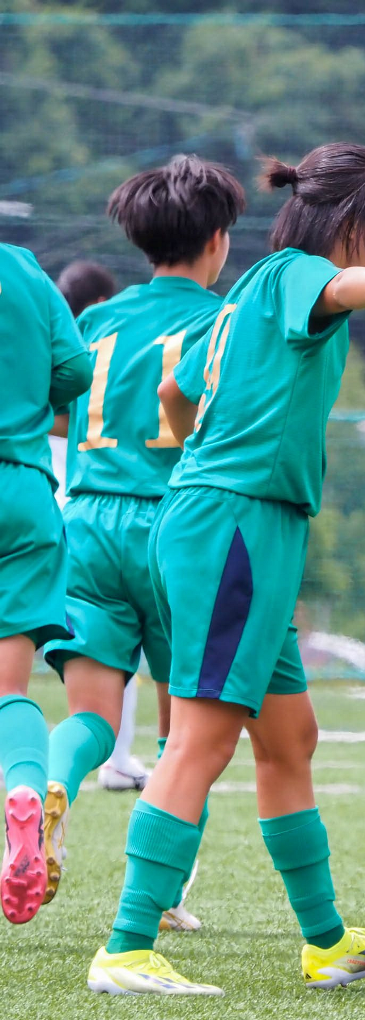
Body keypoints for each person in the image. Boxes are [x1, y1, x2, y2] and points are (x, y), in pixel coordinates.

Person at [86, 142, 365, 996]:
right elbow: (336, 288)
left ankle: (325, 940)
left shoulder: (246, 287)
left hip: (240, 524)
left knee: (289, 739)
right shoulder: (295, 272)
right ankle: (128, 947)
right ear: (352, 217)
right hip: (235, 527)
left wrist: (187, 433)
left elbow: (176, 387)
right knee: (204, 736)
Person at [42, 157, 246, 937]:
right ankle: (159, 894)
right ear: (219, 241)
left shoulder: (97, 320)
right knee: (186, 727)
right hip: (174, 530)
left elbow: (60, 414)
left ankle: (50, 784)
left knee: (92, 714)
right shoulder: (220, 321)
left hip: (87, 521)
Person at [0, 243, 93, 925]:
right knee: (10, 692)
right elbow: (75, 369)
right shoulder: (25, 268)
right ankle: (25, 791)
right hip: (26, 493)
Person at [54, 260, 151, 794]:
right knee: (131, 647)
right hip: (123, 512)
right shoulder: (114, 336)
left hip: (60, 512)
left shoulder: (59, 341)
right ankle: (119, 761)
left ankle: (31, 767)